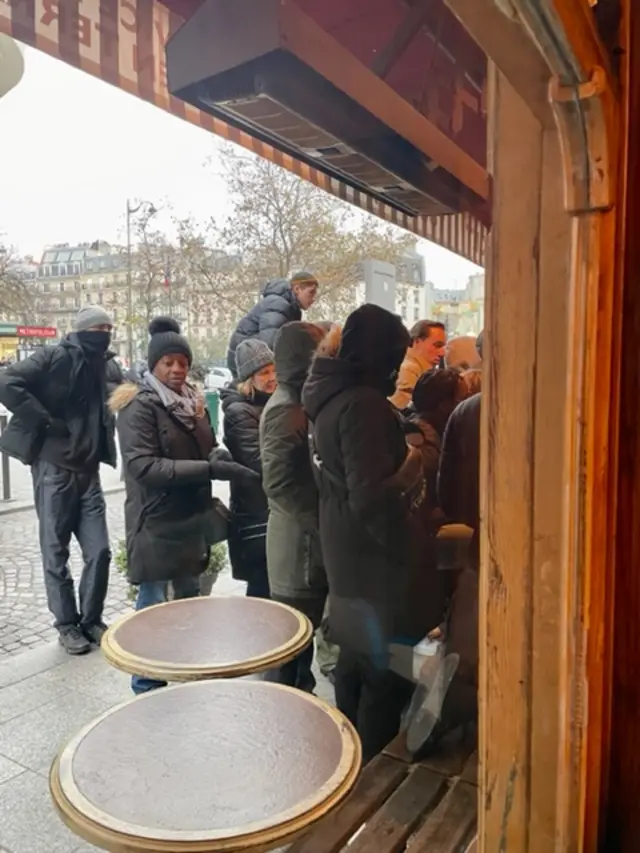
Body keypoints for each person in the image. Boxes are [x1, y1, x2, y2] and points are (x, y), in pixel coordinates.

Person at [303, 304, 429, 762]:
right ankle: (371, 781)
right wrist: (410, 550)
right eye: (394, 356)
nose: (397, 368)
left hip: (346, 551)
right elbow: (373, 497)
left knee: (357, 661)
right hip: (377, 565)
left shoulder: (329, 395)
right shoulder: (363, 404)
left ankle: (348, 758)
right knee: (385, 676)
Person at [110, 317, 255, 694]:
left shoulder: (193, 402)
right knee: (155, 605)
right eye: (168, 362)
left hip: (190, 519)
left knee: (189, 600)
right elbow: (143, 466)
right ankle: (147, 683)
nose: (176, 369)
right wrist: (209, 467)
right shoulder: (138, 406)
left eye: (182, 362)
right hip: (156, 520)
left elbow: (207, 445)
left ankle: (184, 669)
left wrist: (219, 455)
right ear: (153, 365)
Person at [0, 306, 119, 654]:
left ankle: (91, 620)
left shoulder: (106, 365)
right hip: (54, 470)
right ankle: (66, 624)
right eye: (99, 327)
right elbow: (6, 381)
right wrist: (43, 419)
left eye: (109, 327)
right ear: (83, 330)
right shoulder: (54, 356)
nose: (105, 332)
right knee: (55, 550)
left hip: (89, 473)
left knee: (100, 551)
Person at [260, 321, 328, 692]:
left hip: (306, 542)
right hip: (296, 547)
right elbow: (280, 482)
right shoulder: (285, 408)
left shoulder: (299, 401)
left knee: (299, 651)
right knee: (289, 649)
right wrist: (323, 523)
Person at [221, 339, 277, 598]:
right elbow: (259, 461)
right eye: (264, 373)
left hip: (270, 513)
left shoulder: (272, 403)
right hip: (255, 517)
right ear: (248, 379)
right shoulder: (238, 412)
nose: (272, 377)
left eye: (274, 369)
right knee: (261, 591)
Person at [226, 273, 318, 377]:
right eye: (311, 292)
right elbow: (270, 343)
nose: (313, 299)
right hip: (247, 363)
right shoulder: (278, 304)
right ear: (297, 289)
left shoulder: (288, 307)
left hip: (247, 360)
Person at [389, 320, 447, 410]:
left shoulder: (411, 368)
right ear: (417, 341)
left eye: (443, 347)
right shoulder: (409, 370)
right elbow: (400, 410)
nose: (442, 352)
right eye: (437, 345)